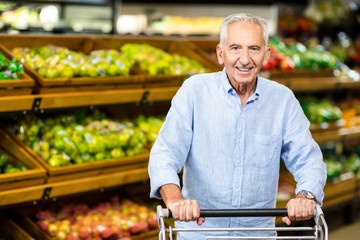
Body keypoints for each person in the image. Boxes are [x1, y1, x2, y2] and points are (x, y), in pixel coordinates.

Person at [148, 12, 327, 239]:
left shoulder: (282, 100)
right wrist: (175, 200)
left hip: (257, 234)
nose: (245, 59)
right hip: (200, 233)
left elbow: (308, 158)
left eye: (254, 48)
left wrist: (306, 195)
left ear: (266, 54)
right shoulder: (194, 92)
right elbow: (165, 153)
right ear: (220, 54)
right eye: (235, 48)